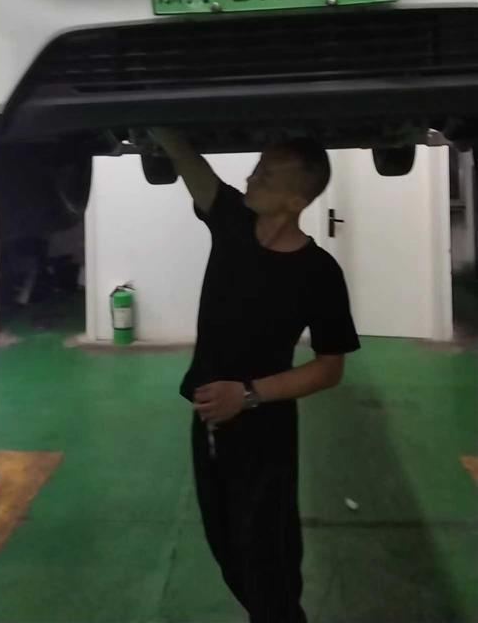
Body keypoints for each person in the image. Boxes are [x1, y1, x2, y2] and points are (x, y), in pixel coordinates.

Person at [150, 129, 360, 623]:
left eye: (265, 175)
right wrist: (160, 127)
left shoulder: (319, 272)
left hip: (264, 429)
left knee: (267, 556)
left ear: (295, 200)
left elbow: (330, 367)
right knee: (227, 546)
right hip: (209, 419)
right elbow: (194, 167)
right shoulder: (233, 223)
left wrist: (246, 395)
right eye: (256, 168)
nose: (250, 177)